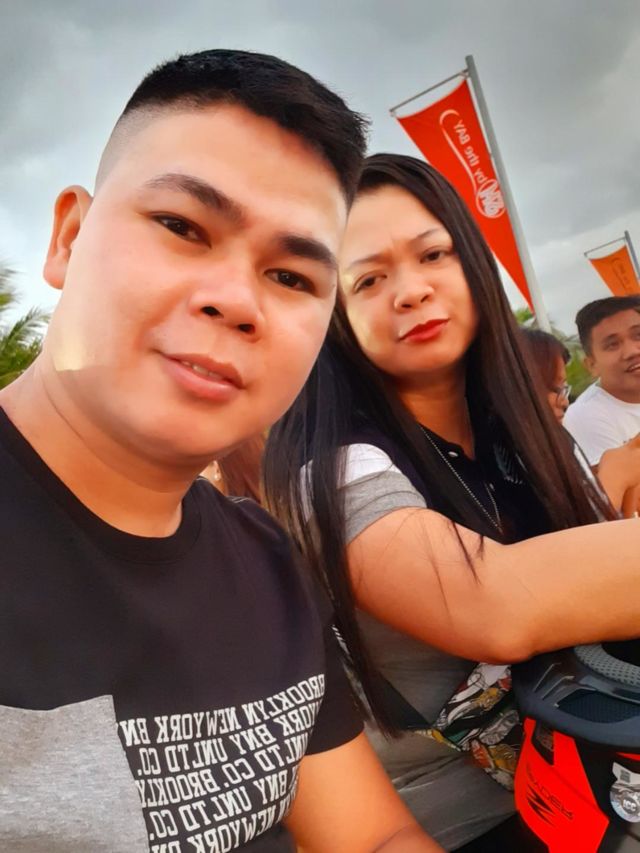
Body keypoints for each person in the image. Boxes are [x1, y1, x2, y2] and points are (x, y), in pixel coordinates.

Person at [0, 54, 443, 853]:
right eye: (181, 226)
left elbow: (373, 834)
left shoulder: (269, 566)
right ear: (68, 236)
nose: (237, 301)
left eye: (291, 277)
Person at [263, 153, 640, 850]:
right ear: (333, 316)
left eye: (433, 254)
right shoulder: (331, 468)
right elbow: (492, 603)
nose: (410, 291)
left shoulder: (528, 433)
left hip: (599, 778)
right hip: (458, 824)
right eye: (368, 279)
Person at [522, 326, 640, 516]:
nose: (564, 401)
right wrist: (615, 478)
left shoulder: (557, 443)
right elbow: (578, 529)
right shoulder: (508, 467)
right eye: (554, 388)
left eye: (563, 388)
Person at [564, 295, 640, 465]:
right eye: (613, 344)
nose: (632, 351)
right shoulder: (586, 416)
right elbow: (615, 480)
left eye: (638, 335)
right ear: (592, 365)